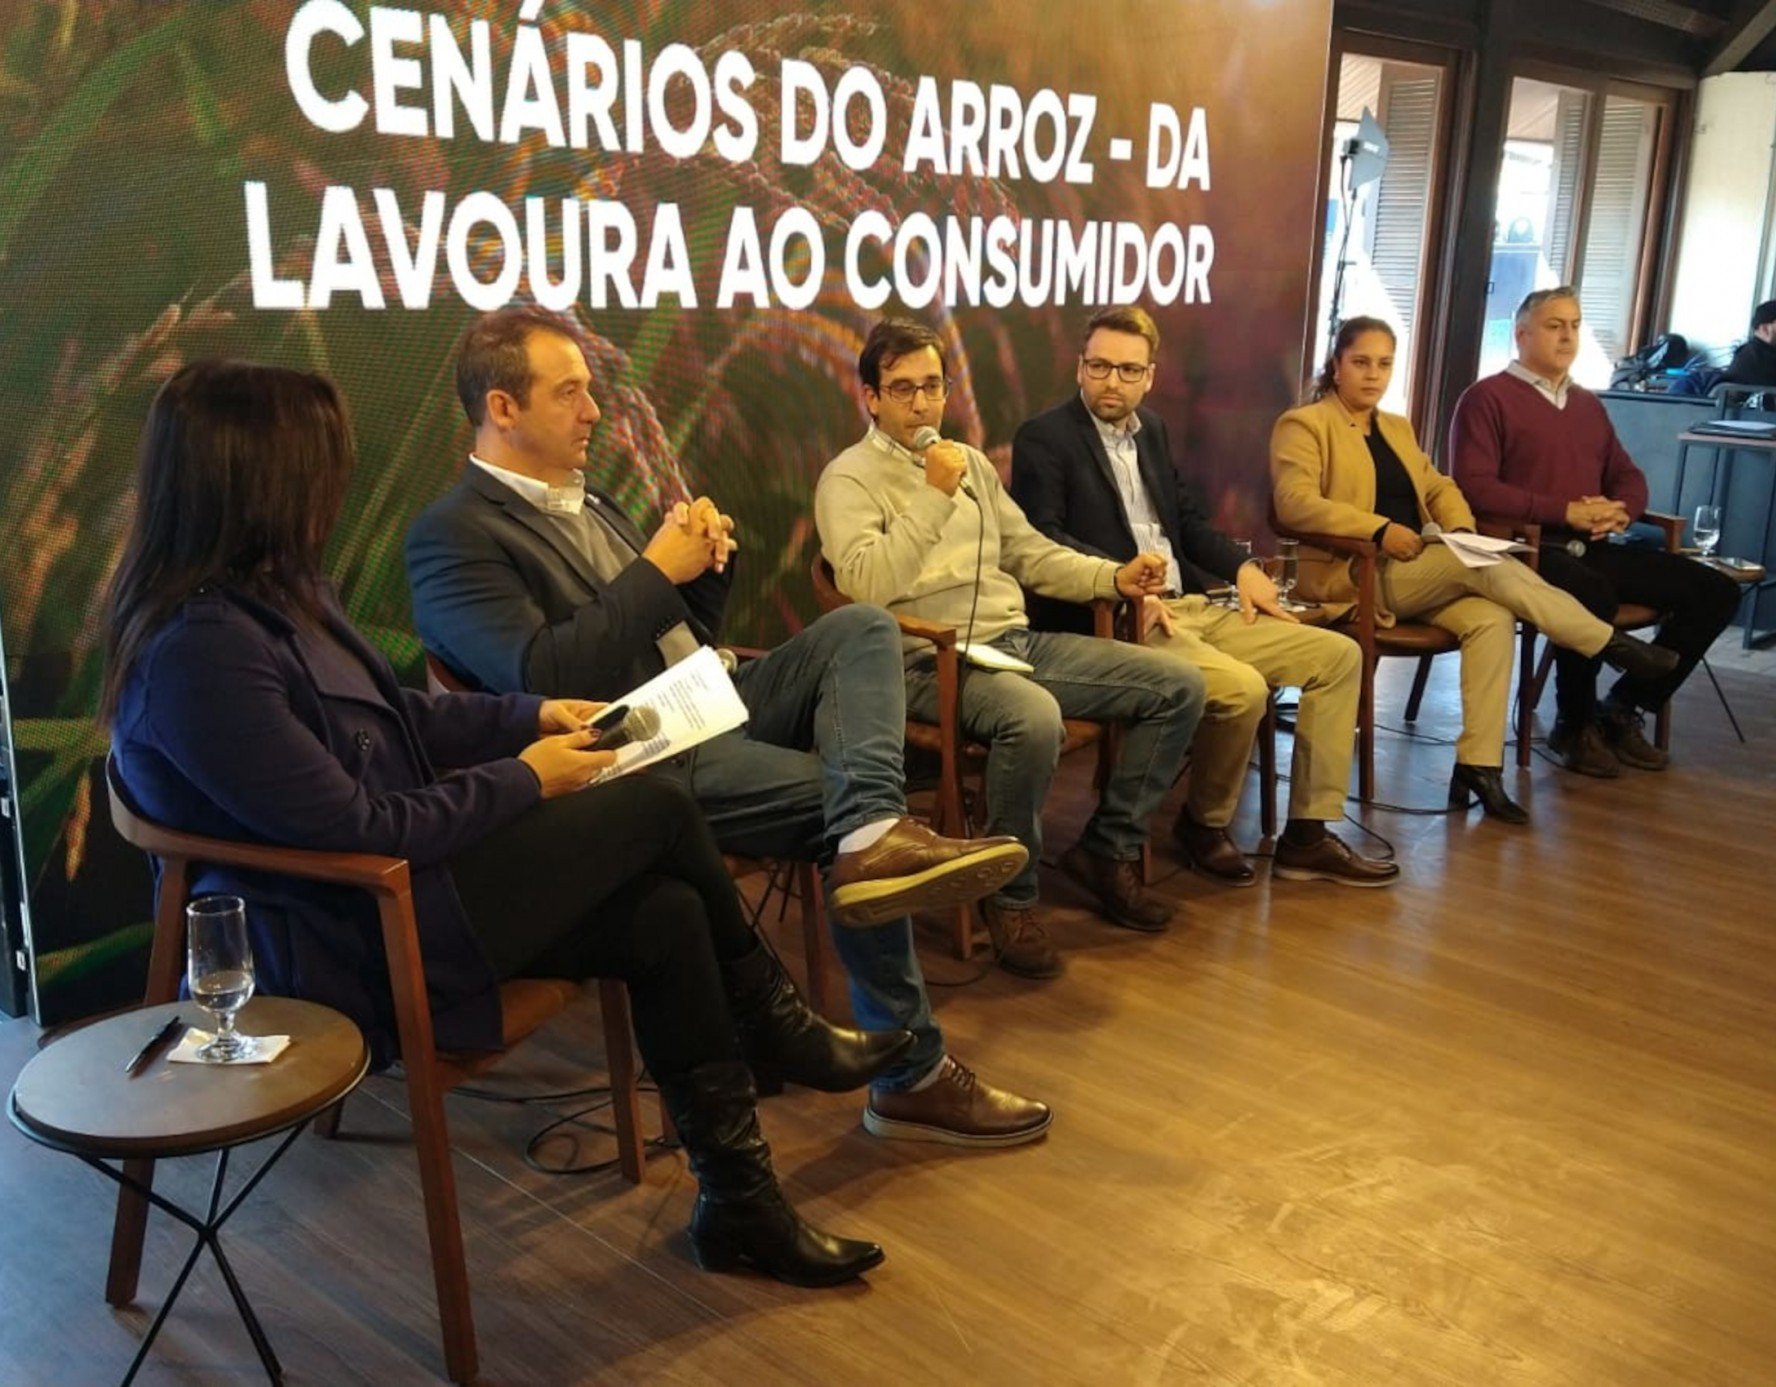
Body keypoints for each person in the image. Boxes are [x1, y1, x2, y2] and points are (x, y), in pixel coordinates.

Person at [104, 359, 901, 1287]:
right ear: (258, 480)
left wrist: (530, 717)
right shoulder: (200, 652)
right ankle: (774, 1022)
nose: (336, 486)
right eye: (321, 467)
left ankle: (740, 1202)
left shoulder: (274, 598)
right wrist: (527, 780)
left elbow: (405, 717)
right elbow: (360, 826)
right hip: (357, 939)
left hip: (415, 893)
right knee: (653, 802)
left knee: (665, 917)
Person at [406, 309, 1050, 1150]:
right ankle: (913, 1075)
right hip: (631, 752)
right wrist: (653, 569)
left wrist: (707, 568)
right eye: (570, 394)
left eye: (592, 392)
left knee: (862, 629)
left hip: (705, 693)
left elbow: (665, 628)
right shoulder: (451, 534)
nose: (595, 412)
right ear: (502, 407)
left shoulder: (589, 497)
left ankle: (873, 831)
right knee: (841, 807)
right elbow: (541, 679)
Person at [816, 318, 1207, 978]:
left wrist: (1109, 577)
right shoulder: (848, 479)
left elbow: (1028, 552)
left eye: (932, 386)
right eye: (903, 388)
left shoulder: (967, 461)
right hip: (920, 661)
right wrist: (934, 496)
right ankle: (1011, 895)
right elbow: (866, 585)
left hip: (1011, 640)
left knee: (1178, 685)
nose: (920, 403)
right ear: (870, 397)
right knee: (1032, 716)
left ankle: (1108, 848)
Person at [1012, 306, 1397, 888]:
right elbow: (1043, 537)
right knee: (1241, 690)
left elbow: (1186, 523)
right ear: (1079, 369)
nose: (1112, 381)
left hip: (1189, 600)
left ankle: (1308, 834)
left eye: (1127, 370)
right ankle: (1203, 823)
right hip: (1112, 614)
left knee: (1339, 657)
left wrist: (1242, 568)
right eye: (1100, 367)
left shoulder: (1154, 432)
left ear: (1150, 375)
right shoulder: (1045, 437)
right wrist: (1119, 581)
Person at [1273, 316, 1679, 823]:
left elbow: (1440, 486)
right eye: (1360, 363)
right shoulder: (1304, 424)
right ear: (1336, 366)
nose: (1373, 375)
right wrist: (1379, 529)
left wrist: (1461, 531)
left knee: (1491, 617)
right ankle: (1607, 644)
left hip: (1422, 565)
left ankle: (1479, 766)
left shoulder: (1395, 426)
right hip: (1360, 573)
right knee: (1490, 570)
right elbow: (1294, 504)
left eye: (1383, 364)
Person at [1449, 289, 1740, 777]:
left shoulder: (1587, 404)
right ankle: (1574, 724)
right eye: (1554, 325)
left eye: (1575, 325)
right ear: (1521, 334)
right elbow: (1475, 489)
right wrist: (1565, 511)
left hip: (1595, 544)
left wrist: (1621, 511)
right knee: (1592, 594)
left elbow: (1627, 475)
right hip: (1528, 550)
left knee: (1715, 590)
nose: (1568, 336)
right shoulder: (1486, 398)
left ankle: (1622, 707)